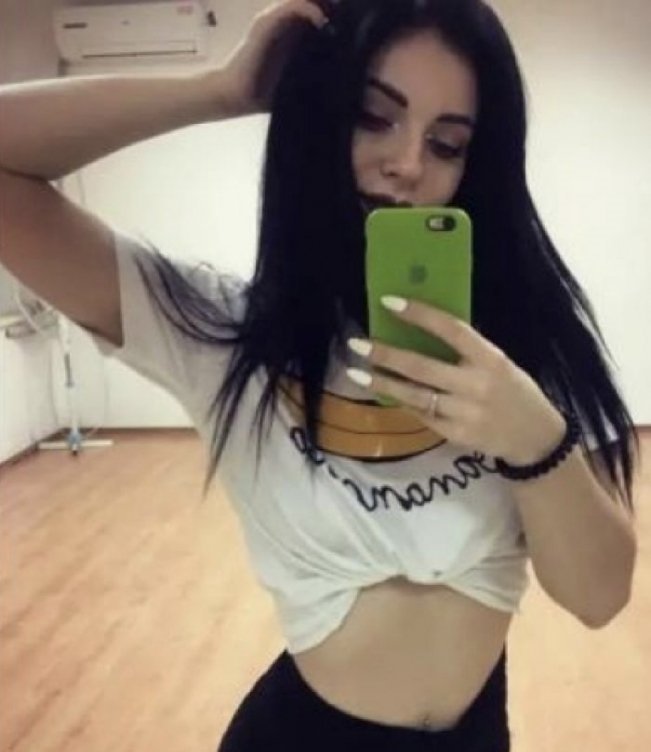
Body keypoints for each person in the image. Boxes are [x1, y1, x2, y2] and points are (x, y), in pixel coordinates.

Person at [0, 1, 639, 750]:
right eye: (373, 117)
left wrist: (531, 438)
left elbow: (599, 598)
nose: (409, 162)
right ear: (320, 118)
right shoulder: (224, 335)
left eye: (447, 143)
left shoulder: (523, 349)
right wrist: (219, 91)